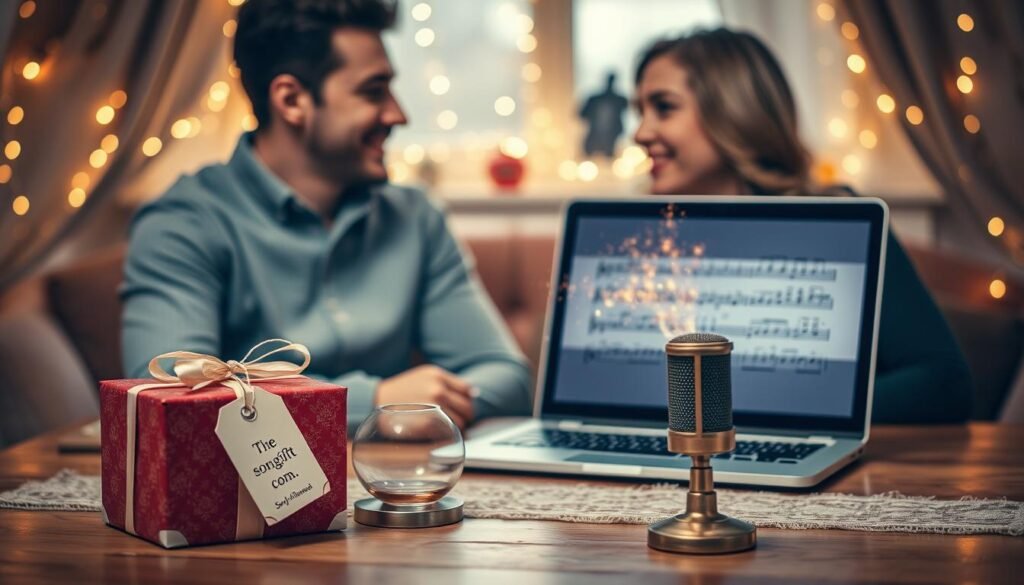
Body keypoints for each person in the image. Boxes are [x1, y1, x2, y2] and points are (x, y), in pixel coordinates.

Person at [120, 0, 531, 432]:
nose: (398, 115)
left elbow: (505, 376)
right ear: (292, 100)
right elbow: (169, 397)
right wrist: (372, 405)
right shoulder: (182, 224)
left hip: (396, 487)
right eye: (373, 92)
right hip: (250, 497)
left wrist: (425, 405)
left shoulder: (415, 217)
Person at [632, 28, 972, 423]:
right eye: (638, 111)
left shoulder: (839, 221)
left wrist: (788, 410)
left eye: (664, 107)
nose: (640, 133)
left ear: (733, 111)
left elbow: (945, 383)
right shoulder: (650, 243)